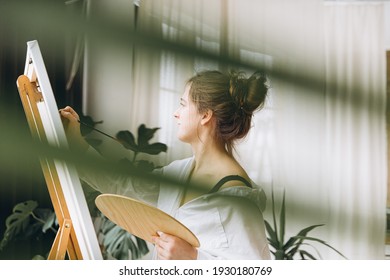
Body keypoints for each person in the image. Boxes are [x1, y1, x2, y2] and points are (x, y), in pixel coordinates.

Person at [60, 70, 271, 260]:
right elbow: (123, 186)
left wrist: (192, 258)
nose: (176, 113)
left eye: (183, 104)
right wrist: (76, 142)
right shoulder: (180, 171)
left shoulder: (237, 195)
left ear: (205, 115)